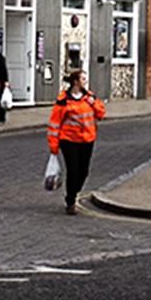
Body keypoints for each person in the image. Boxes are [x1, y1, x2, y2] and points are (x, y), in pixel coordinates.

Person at [46, 69, 106, 215]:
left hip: (87, 140)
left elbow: (101, 114)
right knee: (73, 171)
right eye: (83, 79)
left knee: (83, 172)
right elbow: (54, 124)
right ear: (76, 82)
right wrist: (54, 146)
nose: (86, 82)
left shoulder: (89, 97)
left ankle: (75, 191)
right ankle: (71, 201)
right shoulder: (63, 100)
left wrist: (94, 103)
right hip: (69, 140)